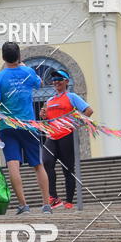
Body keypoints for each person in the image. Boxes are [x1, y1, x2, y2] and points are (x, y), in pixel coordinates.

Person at [0, 42, 52, 215]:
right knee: (38, 164)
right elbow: (40, 83)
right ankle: (46, 204)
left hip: (7, 127)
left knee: (13, 164)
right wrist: (23, 66)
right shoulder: (28, 72)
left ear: (3, 57)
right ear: (19, 56)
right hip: (28, 125)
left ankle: (24, 205)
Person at [40, 70, 93, 209]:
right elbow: (47, 119)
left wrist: (75, 124)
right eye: (54, 79)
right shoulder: (49, 101)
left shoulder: (72, 96)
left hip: (67, 136)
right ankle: (53, 197)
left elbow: (88, 111)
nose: (56, 81)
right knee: (46, 162)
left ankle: (69, 201)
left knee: (68, 169)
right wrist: (43, 116)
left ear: (66, 81)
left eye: (59, 78)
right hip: (52, 136)